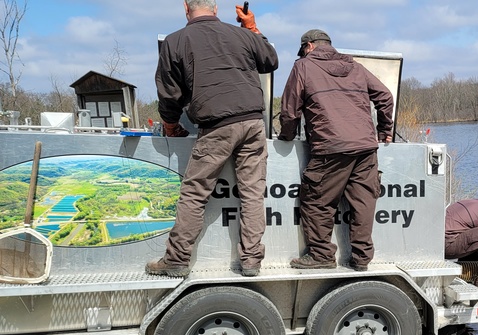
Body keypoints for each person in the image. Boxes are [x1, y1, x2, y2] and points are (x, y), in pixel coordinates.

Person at [145, 0, 278, 278]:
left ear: (186, 9)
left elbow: (169, 93)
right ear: (215, 9)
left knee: (194, 193)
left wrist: (170, 124)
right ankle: (251, 261)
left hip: (217, 125)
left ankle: (177, 259)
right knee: (253, 193)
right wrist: (252, 28)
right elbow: (270, 61)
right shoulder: (242, 34)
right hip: (254, 122)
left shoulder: (175, 41)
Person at [277, 29, 394, 272]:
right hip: (365, 147)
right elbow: (385, 95)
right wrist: (385, 129)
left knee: (317, 201)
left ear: (309, 45)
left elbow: (290, 110)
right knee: (363, 203)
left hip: (330, 146)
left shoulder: (304, 66)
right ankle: (362, 259)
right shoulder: (355, 66)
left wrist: (286, 136)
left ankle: (321, 255)